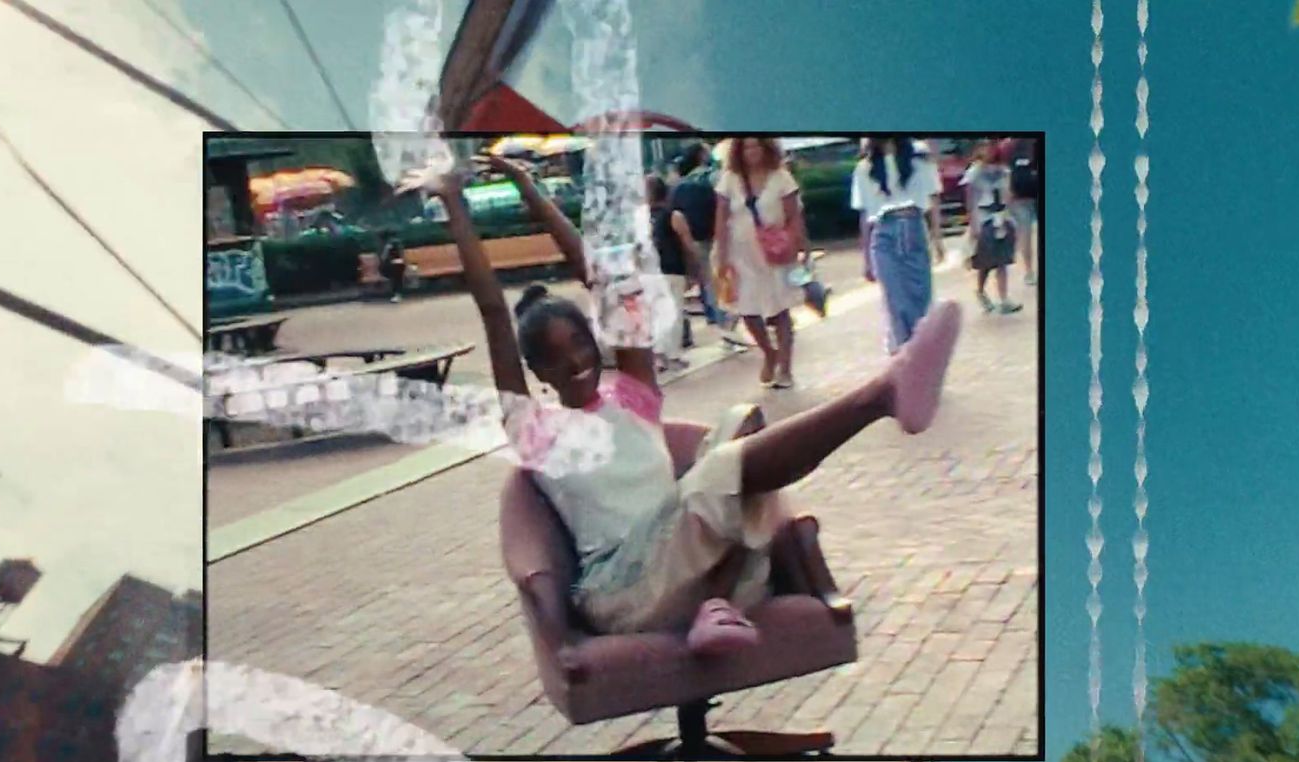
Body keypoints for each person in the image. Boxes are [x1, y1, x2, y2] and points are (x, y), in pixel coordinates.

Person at [417, 153, 963, 651]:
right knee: (723, 470)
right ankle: (882, 394)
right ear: (536, 371)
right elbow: (492, 309)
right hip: (624, 594)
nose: (577, 361)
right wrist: (453, 204)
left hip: (705, 569)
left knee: (739, 427)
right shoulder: (537, 432)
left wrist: (530, 190)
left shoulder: (630, 397)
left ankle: (715, 607)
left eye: (582, 342)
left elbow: (605, 287)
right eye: (555, 358)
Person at [714, 137, 807, 389]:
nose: (751, 151)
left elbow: (794, 216)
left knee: (782, 309)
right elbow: (721, 220)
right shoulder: (730, 179)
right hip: (741, 257)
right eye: (746, 147)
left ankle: (785, 368)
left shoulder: (781, 177)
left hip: (776, 255)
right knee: (747, 309)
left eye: (756, 146)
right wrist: (721, 257)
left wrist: (798, 247)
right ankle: (769, 352)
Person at [853, 138, 944, 354]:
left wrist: (937, 237)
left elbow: (933, 198)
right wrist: (866, 257)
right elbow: (865, 213)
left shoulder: (918, 159)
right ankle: (903, 350)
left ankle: (920, 349)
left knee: (920, 294)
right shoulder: (865, 167)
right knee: (895, 297)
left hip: (913, 226)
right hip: (884, 231)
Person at [671, 143, 746, 348]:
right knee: (734, 280)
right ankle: (731, 326)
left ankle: (723, 325)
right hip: (719, 236)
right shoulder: (714, 176)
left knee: (711, 284)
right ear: (701, 155)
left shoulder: (679, 184)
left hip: (694, 238)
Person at [647, 173, 698, 371]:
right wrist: (694, 269)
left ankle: (658, 355)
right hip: (672, 268)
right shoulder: (674, 216)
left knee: (656, 313)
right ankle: (672, 355)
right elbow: (688, 244)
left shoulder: (643, 218)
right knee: (674, 312)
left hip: (650, 272)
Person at [965, 141, 1023, 314]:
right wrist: (973, 224)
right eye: (983, 147)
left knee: (1003, 260)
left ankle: (1004, 299)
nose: (987, 150)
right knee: (985, 261)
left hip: (1002, 217)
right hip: (984, 218)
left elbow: (1009, 194)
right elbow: (970, 200)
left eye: (989, 146)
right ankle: (981, 291)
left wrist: (1011, 217)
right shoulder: (974, 173)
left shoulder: (1004, 171)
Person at [1005, 136, 1040, 288]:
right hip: (1019, 199)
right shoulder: (1007, 147)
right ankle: (1029, 271)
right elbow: (1004, 173)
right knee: (1024, 235)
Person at [379, 232, 407, 303]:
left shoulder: (388, 244)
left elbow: (383, 257)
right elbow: (402, 256)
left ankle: (397, 294)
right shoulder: (397, 243)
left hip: (393, 266)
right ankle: (398, 294)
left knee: (396, 275)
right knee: (397, 276)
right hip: (397, 265)